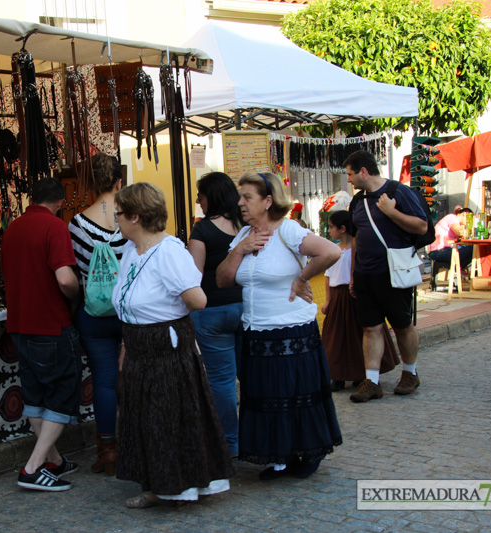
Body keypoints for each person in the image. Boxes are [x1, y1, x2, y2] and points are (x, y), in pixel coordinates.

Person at [111, 182, 235, 508]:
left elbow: (198, 299)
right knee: (145, 421)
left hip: (165, 348)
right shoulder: (129, 251)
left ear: (136, 216)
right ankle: (157, 485)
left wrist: (165, 312)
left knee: (166, 420)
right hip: (140, 348)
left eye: (120, 214)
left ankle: (179, 487)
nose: (116, 220)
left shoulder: (168, 252)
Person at [216, 171, 342, 481]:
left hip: (291, 329)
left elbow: (331, 251)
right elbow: (222, 279)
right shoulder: (243, 234)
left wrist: (301, 278)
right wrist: (240, 249)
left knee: (296, 394)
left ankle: (310, 452)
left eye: (248, 197)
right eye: (240, 196)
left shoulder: (289, 230)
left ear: (268, 200)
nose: (240, 202)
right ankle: (279, 457)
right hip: (256, 331)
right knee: (265, 396)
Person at [2, 178, 82, 492]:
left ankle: (55, 460)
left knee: (35, 396)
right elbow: (65, 279)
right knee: (62, 396)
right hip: (50, 323)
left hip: (20, 325)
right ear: (61, 202)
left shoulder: (12, 228)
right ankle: (33, 467)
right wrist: (77, 295)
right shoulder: (55, 227)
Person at [345, 150, 428, 403]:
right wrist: (353, 275)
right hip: (365, 274)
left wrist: (392, 212)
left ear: (363, 172)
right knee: (371, 327)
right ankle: (372, 382)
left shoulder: (398, 192)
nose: (348, 180)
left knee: (402, 325)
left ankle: (410, 373)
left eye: (350, 174)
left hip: (393, 272)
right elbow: (356, 239)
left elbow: (422, 226)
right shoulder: (357, 201)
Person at [68, 153, 127, 475]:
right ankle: (139, 442)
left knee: (104, 382)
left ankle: (108, 451)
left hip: (93, 314)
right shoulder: (130, 218)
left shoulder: (76, 224)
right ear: (119, 182)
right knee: (133, 378)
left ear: (89, 184)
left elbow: (77, 275)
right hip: (129, 312)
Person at [187, 172, 245, 457]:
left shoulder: (202, 230)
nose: (198, 200)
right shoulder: (246, 224)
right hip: (248, 309)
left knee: (222, 382)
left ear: (213, 195)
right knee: (252, 376)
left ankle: (229, 444)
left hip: (212, 312)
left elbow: (193, 277)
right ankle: (256, 436)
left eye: (201, 195)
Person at [321, 210, 400, 391]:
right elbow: (327, 276)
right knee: (336, 339)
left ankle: (361, 374)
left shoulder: (358, 250)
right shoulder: (333, 250)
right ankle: (337, 375)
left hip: (356, 295)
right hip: (338, 297)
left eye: (331, 227)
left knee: (359, 337)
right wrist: (328, 299)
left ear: (342, 228)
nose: (329, 230)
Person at [427, 206, 474, 290]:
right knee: (473, 249)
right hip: (438, 251)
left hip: (445, 249)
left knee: (474, 249)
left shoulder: (456, 221)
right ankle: (459, 268)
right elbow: (459, 231)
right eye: (470, 218)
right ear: (464, 214)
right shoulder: (452, 218)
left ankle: (458, 268)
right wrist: (469, 230)